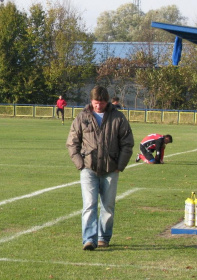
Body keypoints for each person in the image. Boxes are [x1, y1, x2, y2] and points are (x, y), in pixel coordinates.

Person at [66, 85, 134, 251]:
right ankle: (89, 239)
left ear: (107, 102)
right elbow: (72, 142)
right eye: (96, 103)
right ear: (91, 101)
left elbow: (127, 143)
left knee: (108, 206)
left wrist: (120, 165)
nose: (98, 106)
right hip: (88, 168)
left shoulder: (118, 118)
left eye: (102, 103)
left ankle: (103, 237)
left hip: (111, 168)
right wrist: (80, 164)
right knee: (89, 204)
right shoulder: (82, 118)